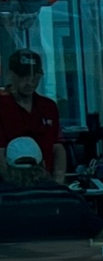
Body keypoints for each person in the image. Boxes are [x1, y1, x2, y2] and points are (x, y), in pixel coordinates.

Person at [0, 49, 66, 183]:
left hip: (45, 186)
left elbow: (57, 147)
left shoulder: (48, 107)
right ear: (11, 74)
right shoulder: (2, 105)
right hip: (9, 190)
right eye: (23, 76)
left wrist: (58, 183)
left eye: (34, 77)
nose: (29, 82)